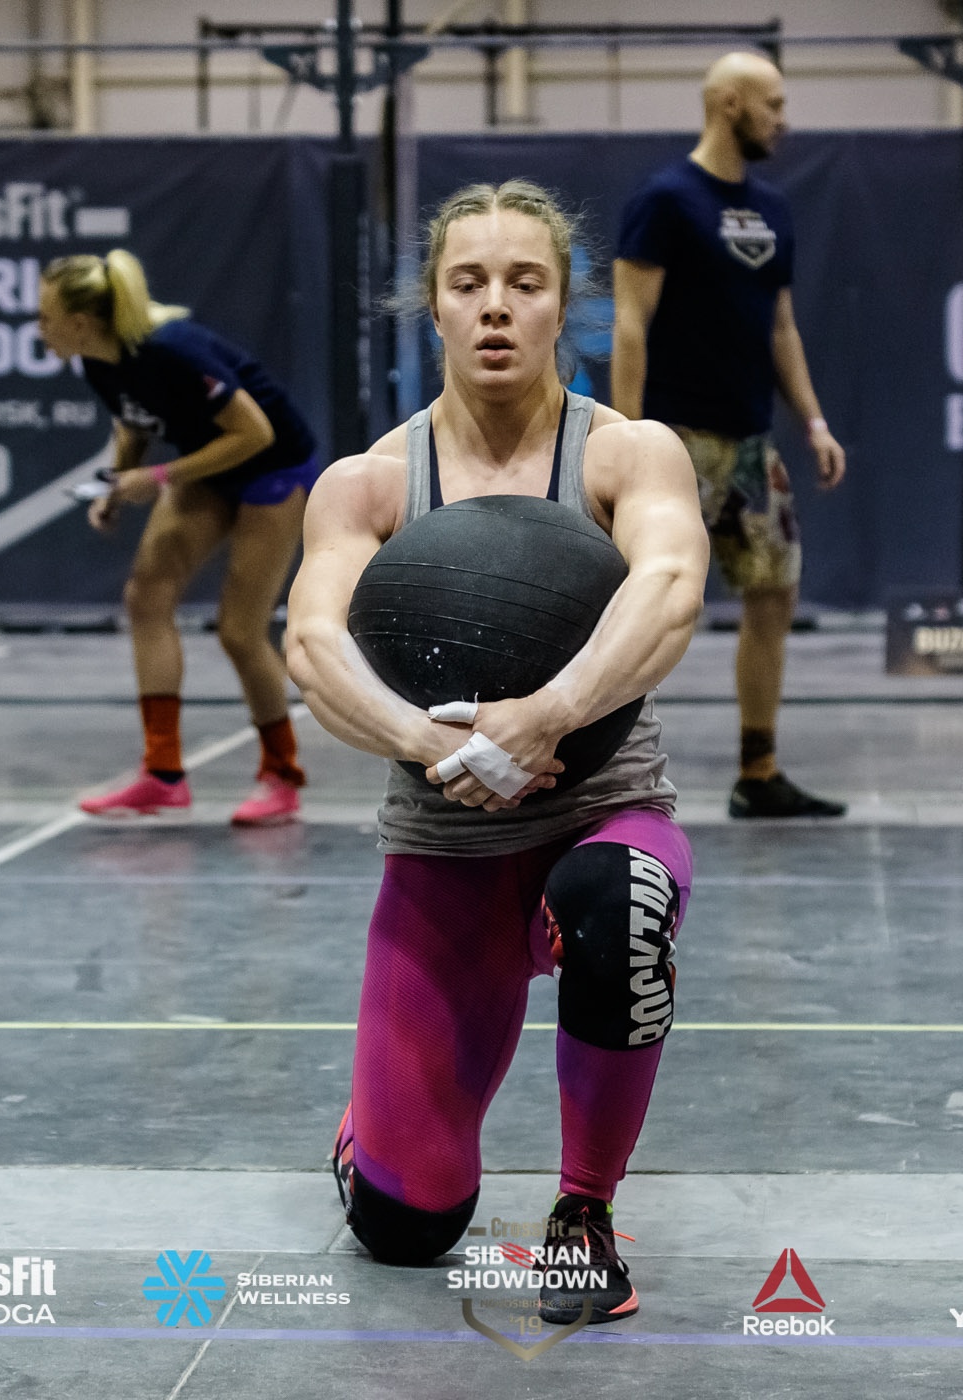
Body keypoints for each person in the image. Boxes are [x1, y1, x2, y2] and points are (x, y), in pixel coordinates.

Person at [286, 180, 708, 1324]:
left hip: (601, 814)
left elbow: (672, 587)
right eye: (468, 283)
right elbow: (313, 644)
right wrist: (422, 739)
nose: (496, 306)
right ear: (432, 307)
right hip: (446, 851)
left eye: (525, 282)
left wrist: (549, 711)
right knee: (407, 1228)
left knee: (621, 901)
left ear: (564, 303)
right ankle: (373, 1142)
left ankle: (584, 1211)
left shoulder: (629, 456)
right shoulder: (371, 483)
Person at [612, 50, 847, 820]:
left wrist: (813, 421)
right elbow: (630, 323)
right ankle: (607, 771)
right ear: (729, 104)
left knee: (775, 593)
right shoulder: (665, 200)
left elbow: (781, 327)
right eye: (772, 104)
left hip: (750, 443)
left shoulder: (772, 207)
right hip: (675, 440)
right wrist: (625, 440)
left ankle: (759, 770)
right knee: (647, 604)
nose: (783, 119)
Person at [39, 251, 321, 827]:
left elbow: (255, 433)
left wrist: (160, 477)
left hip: (273, 469)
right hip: (208, 465)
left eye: (45, 318)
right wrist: (116, 485)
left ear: (82, 323)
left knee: (240, 630)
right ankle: (163, 775)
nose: (39, 330)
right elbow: (132, 422)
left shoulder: (173, 350)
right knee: (147, 597)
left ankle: (282, 775)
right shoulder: (97, 361)